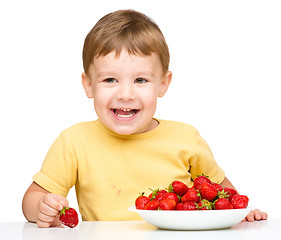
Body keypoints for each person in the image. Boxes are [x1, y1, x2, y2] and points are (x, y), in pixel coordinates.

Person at [22, 9, 268, 227]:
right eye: (110, 80)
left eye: (140, 80)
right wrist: (43, 206)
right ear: (88, 86)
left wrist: (241, 213)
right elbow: (30, 200)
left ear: (163, 84)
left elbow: (224, 196)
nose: (126, 94)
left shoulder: (186, 138)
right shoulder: (74, 141)